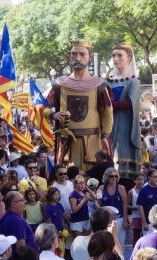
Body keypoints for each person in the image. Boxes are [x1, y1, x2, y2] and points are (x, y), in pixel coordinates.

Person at [44, 39, 113, 171]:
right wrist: (52, 114)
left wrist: (105, 134)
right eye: (74, 54)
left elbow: (107, 113)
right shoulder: (59, 84)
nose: (78, 58)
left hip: (92, 143)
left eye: (82, 54)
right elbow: (41, 106)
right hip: (66, 143)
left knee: (91, 180)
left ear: (89, 57)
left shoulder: (99, 85)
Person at [108, 44, 141, 185]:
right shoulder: (107, 81)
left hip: (126, 124)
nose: (116, 59)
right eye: (114, 55)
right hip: (109, 123)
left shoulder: (134, 81)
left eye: (120, 55)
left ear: (129, 57)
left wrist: (108, 105)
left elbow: (130, 103)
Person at [97, 168, 128, 254]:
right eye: (111, 176)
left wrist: (125, 220)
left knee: (120, 243)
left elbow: (125, 204)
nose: (114, 178)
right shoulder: (101, 188)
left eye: (115, 176)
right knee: (106, 243)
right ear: (107, 177)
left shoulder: (121, 188)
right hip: (106, 220)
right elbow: (98, 203)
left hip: (119, 218)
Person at [136, 169, 157, 234]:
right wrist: (144, 222)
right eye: (155, 177)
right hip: (149, 224)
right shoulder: (144, 190)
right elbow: (140, 206)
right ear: (149, 178)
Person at [128, 173, 144, 247]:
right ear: (134, 181)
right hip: (136, 216)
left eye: (142, 179)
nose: (140, 181)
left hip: (144, 216)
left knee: (145, 235)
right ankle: (135, 252)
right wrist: (135, 208)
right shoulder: (131, 192)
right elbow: (127, 205)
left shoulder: (145, 190)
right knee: (136, 236)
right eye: (138, 179)